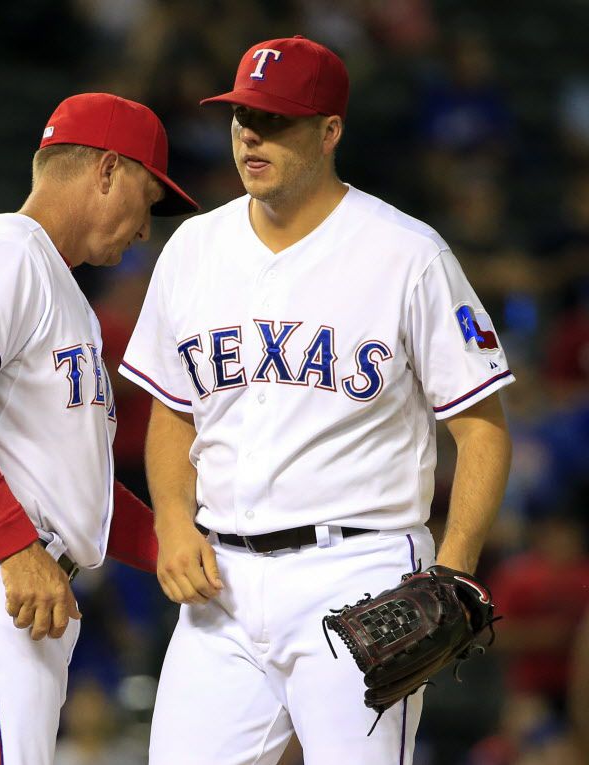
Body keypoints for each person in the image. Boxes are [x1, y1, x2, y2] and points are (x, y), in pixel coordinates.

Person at [120, 36, 514, 764]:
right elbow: (175, 410)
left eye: (276, 120)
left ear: (330, 131)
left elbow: (483, 428)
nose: (251, 136)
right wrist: (173, 520)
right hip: (220, 585)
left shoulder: (407, 253)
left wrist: (454, 571)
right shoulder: (193, 248)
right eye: (243, 116)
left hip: (358, 574)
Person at [0, 92, 197, 764]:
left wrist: (183, 542)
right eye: (147, 196)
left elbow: (80, 494)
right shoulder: (7, 249)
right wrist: (16, 545)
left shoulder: (57, 286)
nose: (146, 230)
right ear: (106, 170)